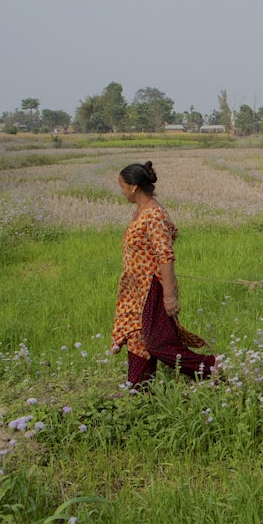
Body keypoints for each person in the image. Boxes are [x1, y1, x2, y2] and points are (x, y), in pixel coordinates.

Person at [111, 161, 216, 387]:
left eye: (121, 186)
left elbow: (165, 256)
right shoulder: (140, 212)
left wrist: (170, 296)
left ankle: (213, 367)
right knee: (137, 337)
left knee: (157, 343)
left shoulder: (154, 215)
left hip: (153, 287)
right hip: (136, 289)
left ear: (133, 187)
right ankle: (138, 390)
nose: (121, 191)